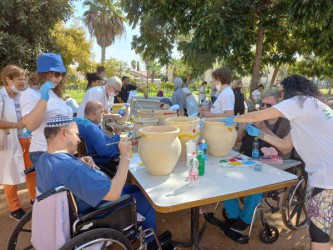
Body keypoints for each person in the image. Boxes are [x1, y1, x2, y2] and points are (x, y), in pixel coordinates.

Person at [223, 75, 333, 250]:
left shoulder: (300, 101)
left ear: (290, 91)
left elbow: (261, 114)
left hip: (326, 176)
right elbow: (285, 144)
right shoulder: (311, 108)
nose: (281, 98)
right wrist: (258, 133)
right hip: (325, 174)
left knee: (319, 233)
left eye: (281, 93)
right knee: (321, 229)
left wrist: (235, 119)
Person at [35, 115, 157, 235]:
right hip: (99, 211)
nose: (79, 140)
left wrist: (79, 160)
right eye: (76, 134)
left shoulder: (43, 160)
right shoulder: (73, 169)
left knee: (135, 189)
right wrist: (125, 156)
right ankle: (150, 241)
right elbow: (114, 194)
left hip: (77, 206)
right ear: (63, 134)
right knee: (146, 198)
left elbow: (66, 172)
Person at [224, 89, 293, 234]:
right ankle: (233, 214)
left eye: (269, 106)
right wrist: (242, 128)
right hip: (248, 159)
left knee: (255, 183)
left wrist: (262, 128)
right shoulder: (256, 116)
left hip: (274, 164)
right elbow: (238, 140)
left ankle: (246, 219)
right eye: (262, 105)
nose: (265, 109)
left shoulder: (287, 122)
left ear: (278, 106)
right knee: (225, 176)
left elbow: (286, 149)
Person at [20, 52, 72, 168]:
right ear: (44, 74)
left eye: (62, 74)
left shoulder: (52, 91)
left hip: (60, 151)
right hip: (44, 152)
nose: (60, 78)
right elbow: (30, 125)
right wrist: (43, 99)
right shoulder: (30, 94)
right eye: (57, 74)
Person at [0, 65, 36, 220]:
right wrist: (17, 125)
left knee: (31, 170)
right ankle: (14, 208)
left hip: (27, 138)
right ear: (8, 79)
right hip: (9, 140)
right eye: (19, 79)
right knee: (10, 174)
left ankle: (34, 199)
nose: (23, 82)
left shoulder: (23, 94)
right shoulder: (1, 96)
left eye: (23, 78)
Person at [75, 101, 121, 173]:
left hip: (89, 158)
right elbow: (104, 150)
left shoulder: (79, 121)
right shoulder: (90, 127)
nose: (103, 114)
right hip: (101, 162)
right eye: (101, 112)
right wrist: (117, 135)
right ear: (94, 113)